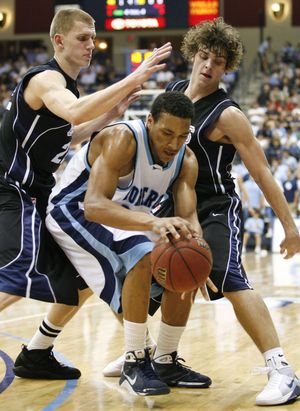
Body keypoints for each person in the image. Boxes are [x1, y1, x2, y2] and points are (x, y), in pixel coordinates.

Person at [106, 18, 300, 406]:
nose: (210, 65)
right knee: (143, 270)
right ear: (193, 54)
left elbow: (261, 172)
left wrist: (289, 226)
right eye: (205, 55)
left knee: (224, 277)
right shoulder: (175, 93)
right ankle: (155, 358)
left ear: (227, 68)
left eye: (220, 60)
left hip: (213, 206)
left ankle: (283, 371)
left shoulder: (227, 114)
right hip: (169, 201)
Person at [0, 7, 172, 378]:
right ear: (59, 40)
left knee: (79, 276)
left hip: (35, 194)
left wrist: (110, 116)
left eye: (93, 38)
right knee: (17, 275)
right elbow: (75, 113)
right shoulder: (47, 80)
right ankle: (137, 348)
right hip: (12, 191)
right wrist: (134, 78)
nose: (91, 45)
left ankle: (37, 353)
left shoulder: (65, 87)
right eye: (83, 38)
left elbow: (69, 134)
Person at [42, 91, 215, 395]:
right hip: (74, 209)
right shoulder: (123, 139)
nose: (173, 144)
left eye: (182, 135)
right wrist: (152, 222)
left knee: (184, 253)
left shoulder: (186, 159)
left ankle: (165, 359)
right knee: (142, 251)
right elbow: (95, 206)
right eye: (166, 133)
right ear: (150, 121)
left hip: (124, 216)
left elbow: (188, 216)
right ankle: (135, 360)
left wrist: (198, 247)